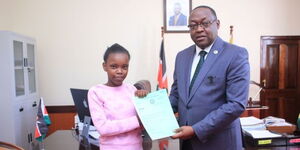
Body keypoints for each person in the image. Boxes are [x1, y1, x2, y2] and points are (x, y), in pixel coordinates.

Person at [169, 5, 250, 150]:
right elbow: (176, 95)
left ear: (217, 24)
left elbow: (236, 104)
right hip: (186, 143)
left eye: (205, 23)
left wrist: (196, 130)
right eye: (193, 25)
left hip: (220, 142)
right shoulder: (182, 56)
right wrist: (151, 111)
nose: (199, 29)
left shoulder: (235, 54)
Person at [88, 43, 148, 150]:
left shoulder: (132, 90)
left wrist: (145, 101)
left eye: (124, 67)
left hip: (136, 147)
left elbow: (143, 123)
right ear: (104, 66)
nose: (120, 71)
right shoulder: (96, 92)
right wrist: (136, 121)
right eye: (114, 66)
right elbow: (103, 128)